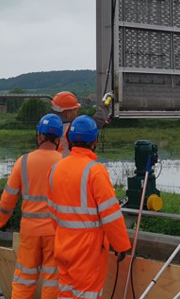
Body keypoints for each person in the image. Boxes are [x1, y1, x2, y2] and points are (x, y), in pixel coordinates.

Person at [47, 115, 131, 299]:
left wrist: (63, 234)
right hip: (87, 249)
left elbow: (53, 212)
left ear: (68, 139)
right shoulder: (95, 171)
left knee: (66, 293)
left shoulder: (55, 169)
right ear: (95, 141)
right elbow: (110, 214)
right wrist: (121, 245)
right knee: (88, 295)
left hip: (62, 243)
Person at [0, 113, 66, 299]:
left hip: (29, 231)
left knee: (25, 277)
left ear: (39, 136)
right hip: (55, 232)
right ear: (59, 139)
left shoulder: (23, 162)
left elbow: (7, 199)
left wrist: (1, 221)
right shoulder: (64, 163)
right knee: (52, 279)